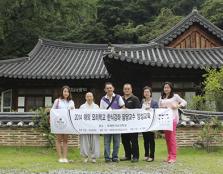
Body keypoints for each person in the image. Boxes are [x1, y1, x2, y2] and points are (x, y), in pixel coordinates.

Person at [159, 82, 187, 164]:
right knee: (167, 138)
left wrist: (177, 106)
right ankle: (169, 156)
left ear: (171, 88)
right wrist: (162, 107)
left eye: (168, 87)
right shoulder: (161, 97)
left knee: (172, 137)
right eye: (165, 87)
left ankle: (173, 157)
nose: (166, 89)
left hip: (173, 119)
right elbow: (159, 107)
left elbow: (184, 102)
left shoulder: (175, 96)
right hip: (164, 120)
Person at [100, 82, 125, 162]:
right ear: (105, 90)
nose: (109, 89)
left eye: (110, 88)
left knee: (117, 141)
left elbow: (123, 107)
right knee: (106, 141)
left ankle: (115, 156)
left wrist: (116, 111)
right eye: (107, 88)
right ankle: (107, 157)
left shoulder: (118, 97)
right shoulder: (103, 99)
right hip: (107, 124)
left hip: (117, 123)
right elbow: (101, 112)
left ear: (113, 88)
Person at [51, 86, 75, 163]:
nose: (66, 93)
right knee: (58, 140)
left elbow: (73, 112)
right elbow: (52, 110)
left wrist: (72, 109)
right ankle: (60, 157)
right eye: (64, 91)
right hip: (59, 123)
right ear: (62, 92)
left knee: (65, 140)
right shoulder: (57, 101)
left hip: (67, 123)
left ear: (69, 93)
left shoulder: (71, 102)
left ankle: (65, 157)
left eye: (67, 92)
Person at [121, 83, 141, 163]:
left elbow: (138, 110)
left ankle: (135, 156)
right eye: (125, 89)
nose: (127, 90)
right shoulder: (120, 98)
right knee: (125, 140)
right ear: (123, 90)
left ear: (131, 89)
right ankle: (128, 155)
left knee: (134, 140)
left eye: (128, 89)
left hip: (133, 124)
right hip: (123, 124)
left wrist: (127, 110)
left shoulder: (135, 98)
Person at [79, 92, 100, 163]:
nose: (89, 98)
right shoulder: (82, 107)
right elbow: (79, 117)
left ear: (93, 97)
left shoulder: (96, 106)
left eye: (90, 96)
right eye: (87, 96)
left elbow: (99, 117)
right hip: (85, 127)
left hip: (94, 127)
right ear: (85, 98)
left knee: (94, 142)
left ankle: (94, 157)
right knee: (84, 142)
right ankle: (85, 157)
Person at [141, 86, 158, 162]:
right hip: (144, 124)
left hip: (151, 124)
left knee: (151, 140)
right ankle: (146, 154)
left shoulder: (154, 102)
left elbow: (157, 112)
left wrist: (151, 109)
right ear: (143, 93)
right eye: (145, 92)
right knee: (145, 140)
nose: (146, 93)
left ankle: (152, 156)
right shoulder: (142, 101)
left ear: (150, 93)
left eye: (148, 92)